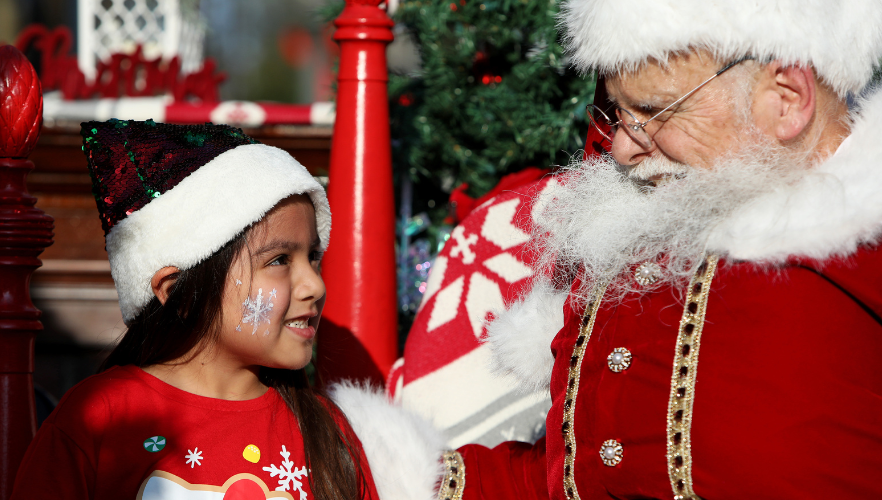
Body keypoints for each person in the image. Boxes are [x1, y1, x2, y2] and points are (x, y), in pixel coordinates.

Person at [421, 0, 882, 499]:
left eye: (654, 111)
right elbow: (566, 476)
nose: (621, 147)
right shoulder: (630, 242)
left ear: (787, 98)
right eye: (618, 113)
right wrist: (380, 466)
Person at [11, 120, 380, 500]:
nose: (315, 285)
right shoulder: (98, 418)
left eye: (313, 256)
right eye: (279, 260)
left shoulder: (327, 432)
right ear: (179, 293)